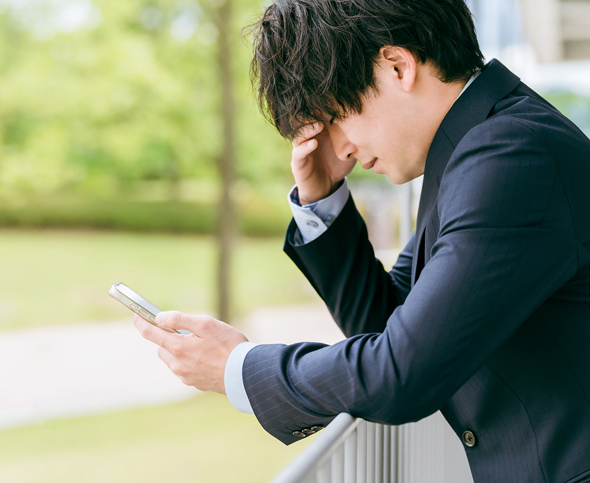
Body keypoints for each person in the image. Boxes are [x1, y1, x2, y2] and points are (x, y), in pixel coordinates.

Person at [134, 0, 590, 481]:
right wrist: (324, 199)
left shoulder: (511, 156)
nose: (339, 145)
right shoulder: (475, 151)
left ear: (397, 66)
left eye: (334, 116)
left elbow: (402, 372)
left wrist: (239, 367)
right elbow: (394, 325)